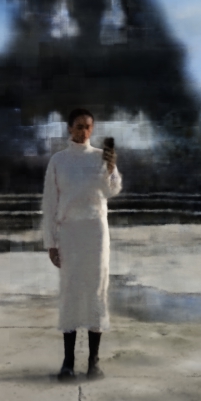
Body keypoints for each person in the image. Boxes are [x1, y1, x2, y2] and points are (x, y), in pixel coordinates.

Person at [41, 108, 121, 379]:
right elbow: (50, 203)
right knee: (71, 291)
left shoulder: (100, 157)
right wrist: (51, 242)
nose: (83, 131)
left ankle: (93, 362)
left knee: (97, 289)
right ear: (69, 128)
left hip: (96, 232)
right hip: (69, 233)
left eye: (88, 127)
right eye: (79, 126)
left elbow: (111, 190)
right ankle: (68, 362)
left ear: (92, 129)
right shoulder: (59, 161)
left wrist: (111, 168)